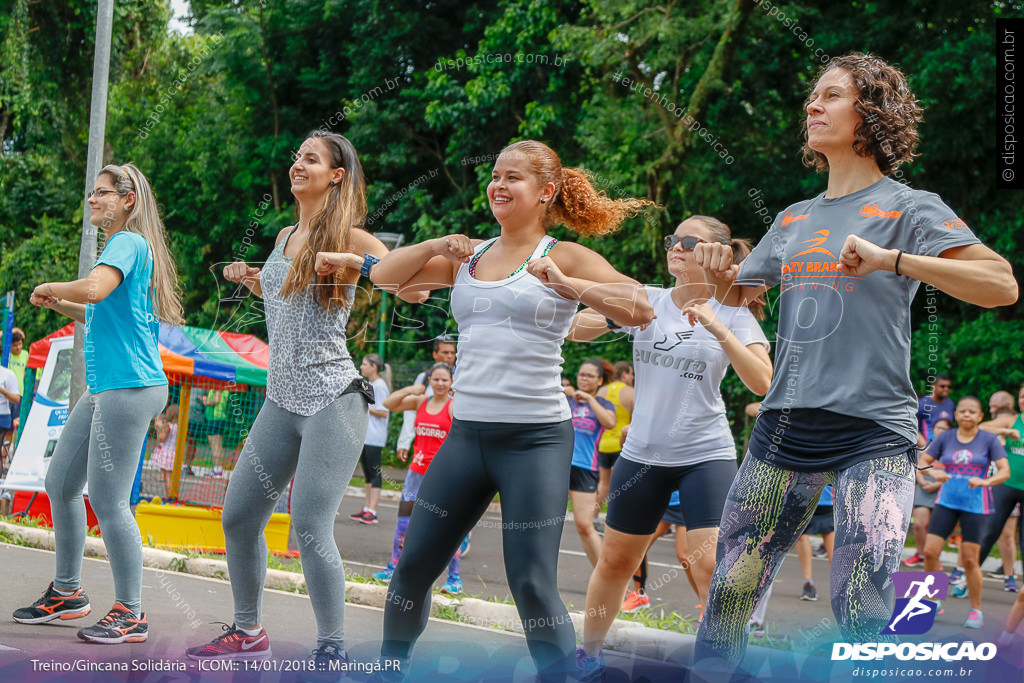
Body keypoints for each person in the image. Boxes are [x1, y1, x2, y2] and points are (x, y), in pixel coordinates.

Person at [690, 53, 1018, 673]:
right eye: (813, 96)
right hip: (784, 426)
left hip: (874, 429)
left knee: (860, 602)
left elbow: (1000, 284)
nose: (812, 106)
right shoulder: (792, 219)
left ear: (870, 115)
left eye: (831, 96)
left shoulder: (910, 207)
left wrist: (891, 259)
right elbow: (736, 295)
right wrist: (717, 276)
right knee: (731, 589)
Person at [366, 139, 653, 681]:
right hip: (467, 437)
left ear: (546, 192)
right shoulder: (468, 257)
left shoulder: (561, 255)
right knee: (411, 570)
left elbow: (640, 306)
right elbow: (385, 277)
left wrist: (571, 287)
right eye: (495, 175)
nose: (498, 184)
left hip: (536, 442)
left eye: (513, 177)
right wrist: (435, 242)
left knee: (530, 581)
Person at [185, 131, 402, 669]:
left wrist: (363, 263)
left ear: (337, 175)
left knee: (309, 524)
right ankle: (247, 629)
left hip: (334, 398)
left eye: (311, 158)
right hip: (280, 401)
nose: (297, 164)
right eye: (296, 157)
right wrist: (255, 280)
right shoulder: (285, 234)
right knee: (238, 516)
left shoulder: (350, 235)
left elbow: (398, 277)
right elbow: (290, 299)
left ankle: (332, 645)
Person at [570, 215, 771, 679]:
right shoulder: (647, 301)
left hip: (705, 455)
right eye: (671, 240)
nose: (675, 247)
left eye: (688, 241)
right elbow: (575, 328)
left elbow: (763, 382)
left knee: (708, 570)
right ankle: (590, 656)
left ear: (717, 253)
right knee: (617, 561)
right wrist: (602, 313)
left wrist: (717, 325)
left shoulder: (736, 313)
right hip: (641, 455)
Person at [13, 163, 182, 644]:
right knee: (61, 482)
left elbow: (93, 288)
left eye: (102, 193)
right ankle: (67, 593)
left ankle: (131, 612)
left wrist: (55, 286)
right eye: (92, 192)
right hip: (108, 387)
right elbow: (97, 306)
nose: (92, 199)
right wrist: (61, 303)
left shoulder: (127, 242)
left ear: (127, 200)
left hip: (130, 387)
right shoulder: (121, 246)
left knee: (108, 501)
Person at [921, 396, 1009, 628]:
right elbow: (924, 459)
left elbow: (1005, 471)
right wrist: (934, 473)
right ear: (956, 415)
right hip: (947, 502)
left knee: (970, 560)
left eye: (972, 412)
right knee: (930, 552)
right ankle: (933, 601)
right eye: (962, 411)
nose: (967, 415)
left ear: (980, 416)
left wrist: (985, 482)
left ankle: (975, 611)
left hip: (975, 505)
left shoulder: (989, 440)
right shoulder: (946, 438)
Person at [375, 363, 461, 592]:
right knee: (404, 523)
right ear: (429, 380)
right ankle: (394, 566)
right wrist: (410, 390)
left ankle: (454, 579)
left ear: (452, 381)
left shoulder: (455, 407)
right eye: (436, 379)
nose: (440, 384)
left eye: (445, 380)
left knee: (448, 528)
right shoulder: (421, 401)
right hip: (416, 473)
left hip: (442, 476)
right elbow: (388, 403)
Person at [566, 359, 616, 567]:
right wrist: (564, 391)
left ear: (600, 380)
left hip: (585, 468)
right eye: (581, 374)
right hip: (557, 465)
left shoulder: (603, 404)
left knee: (585, 526)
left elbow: (610, 422)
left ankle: (604, 575)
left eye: (589, 375)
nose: (583, 379)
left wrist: (588, 398)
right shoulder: (567, 400)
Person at [978, 384, 1024, 592]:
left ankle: (1013, 580)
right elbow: (981, 427)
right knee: (989, 532)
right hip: (1006, 485)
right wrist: (1005, 431)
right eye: (1022, 397)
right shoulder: (1012, 420)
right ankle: (966, 575)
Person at [394, 336, 457, 462]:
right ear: (435, 354)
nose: (450, 356)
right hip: (425, 447)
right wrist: (404, 442)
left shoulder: (461, 381)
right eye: (445, 352)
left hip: (451, 445)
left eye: (453, 353)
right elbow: (411, 412)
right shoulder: (423, 379)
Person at [349, 353, 391, 524]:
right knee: (367, 473)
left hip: (375, 436)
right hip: (367, 435)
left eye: (365, 364)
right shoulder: (372, 384)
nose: (361, 367)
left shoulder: (380, 385)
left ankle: (373, 511)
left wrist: (363, 404)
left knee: (374, 472)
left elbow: (383, 411)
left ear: (374, 366)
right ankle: (367, 508)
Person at [905, 418, 951, 569]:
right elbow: (917, 466)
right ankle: (920, 554)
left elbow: (953, 471)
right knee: (919, 524)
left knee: (935, 527)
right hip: (924, 488)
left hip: (942, 489)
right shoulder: (926, 448)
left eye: (944, 428)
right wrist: (924, 483)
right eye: (938, 427)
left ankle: (933, 556)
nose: (940, 430)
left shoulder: (951, 450)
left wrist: (937, 483)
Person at [595, 361, 633, 512]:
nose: (633, 377)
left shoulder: (602, 390)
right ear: (624, 374)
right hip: (621, 445)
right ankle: (613, 519)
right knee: (621, 484)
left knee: (603, 483)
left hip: (603, 444)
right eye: (631, 373)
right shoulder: (632, 392)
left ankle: (593, 517)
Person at [795, 485, 835, 602]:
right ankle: (841, 588)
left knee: (802, 535)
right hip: (824, 493)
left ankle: (808, 584)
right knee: (829, 534)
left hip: (805, 492)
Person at [149, 404, 180, 498]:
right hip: (175, 452)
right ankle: (172, 495)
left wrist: (159, 430)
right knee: (172, 477)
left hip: (167, 453)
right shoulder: (178, 426)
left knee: (168, 477)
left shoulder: (168, 426)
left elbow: (162, 438)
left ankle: (170, 496)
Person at [917, 374, 954, 446]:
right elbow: (914, 428)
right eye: (942, 386)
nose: (946, 389)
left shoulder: (950, 404)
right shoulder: (923, 403)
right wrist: (925, 446)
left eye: (948, 387)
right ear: (933, 386)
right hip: (927, 448)